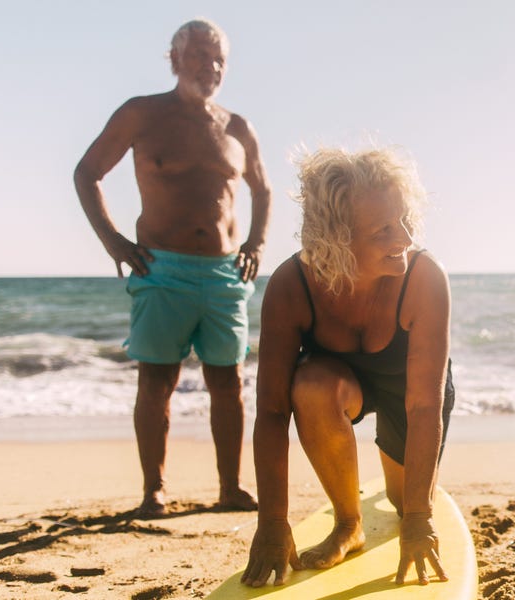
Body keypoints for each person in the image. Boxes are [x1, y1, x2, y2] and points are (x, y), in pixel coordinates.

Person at [74, 18, 269, 517]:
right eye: (202, 54)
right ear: (175, 58)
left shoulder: (237, 127)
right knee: (157, 380)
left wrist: (256, 243)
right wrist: (113, 241)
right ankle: (153, 492)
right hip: (162, 269)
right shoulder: (142, 114)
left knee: (227, 382)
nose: (213, 66)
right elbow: (88, 172)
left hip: (226, 275)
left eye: (220, 57)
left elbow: (262, 190)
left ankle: (230, 488)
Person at [240, 147, 455, 588]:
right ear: (334, 237)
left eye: (405, 221)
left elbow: (423, 404)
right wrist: (272, 524)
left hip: (409, 392)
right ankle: (348, 523)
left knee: (402, 502)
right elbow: (273, 411)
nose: (404, 240)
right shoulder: (291, 287)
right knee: (310, 386)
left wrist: (417, 519)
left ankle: (395, 491)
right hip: (338, 386)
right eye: (383, 231)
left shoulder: (424, 278)